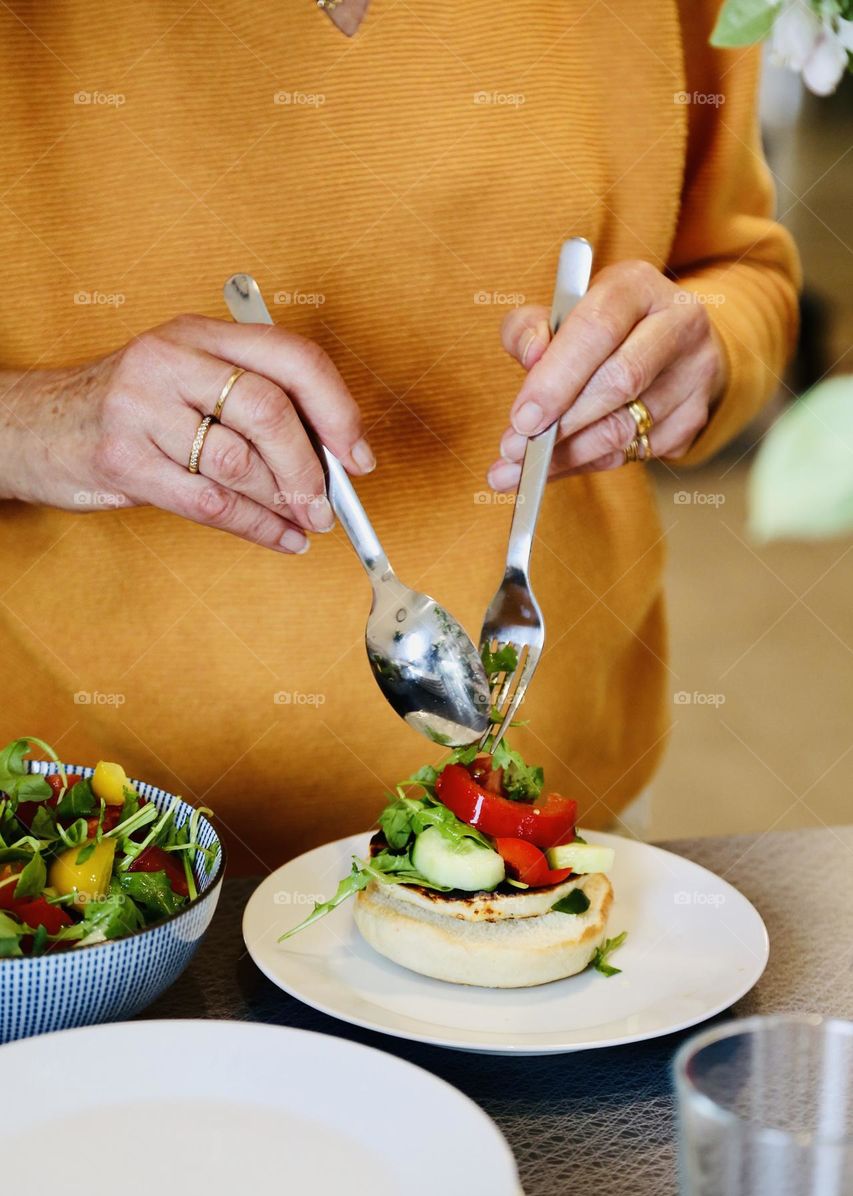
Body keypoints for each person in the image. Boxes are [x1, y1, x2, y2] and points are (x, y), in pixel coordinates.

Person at [0, 1, 799, 873]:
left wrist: (704, 349)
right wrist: (40, 419)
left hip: (559, 830)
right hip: (77, 868)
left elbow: (742, 270)